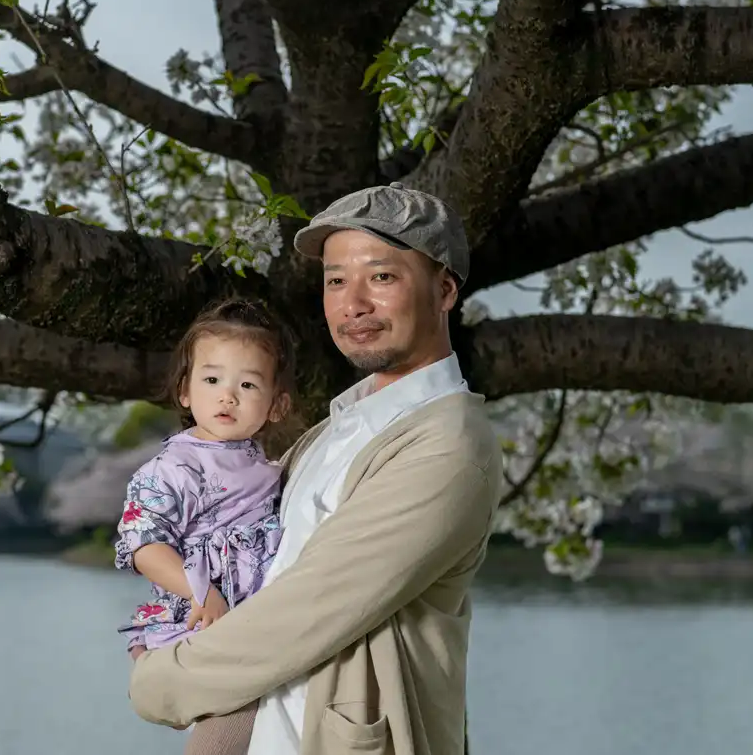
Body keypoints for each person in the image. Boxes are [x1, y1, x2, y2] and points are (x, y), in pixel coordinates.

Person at [128, 183, 503, 755]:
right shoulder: (337, 428)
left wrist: (163, 682)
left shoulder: (446, 445)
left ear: (444, 289)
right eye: (335, 281)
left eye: (381, 277)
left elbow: (312, 607)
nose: (352, 304)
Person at [113, 297, 297, 755]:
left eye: (248, 384)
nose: (227, 396)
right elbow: (145, 547)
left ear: (277, 405)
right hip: (198, 619)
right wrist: (199, 590)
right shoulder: (173, 468)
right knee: (236, 721)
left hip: (255, 625)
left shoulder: (268, 468)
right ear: (185, 391)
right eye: (211, 379)